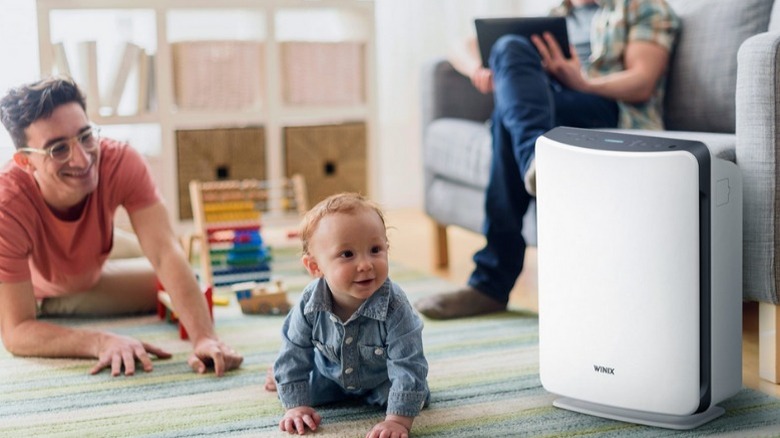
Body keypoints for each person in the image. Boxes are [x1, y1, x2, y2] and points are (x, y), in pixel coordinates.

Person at [415, 0, 680, 319]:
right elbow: (461, 44)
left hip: (609, 109)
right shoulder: (556, 17)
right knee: (509, 47)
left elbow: (642, 81)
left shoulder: (640, 7)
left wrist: (582, 82)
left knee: (507, 119)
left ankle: (490, 284)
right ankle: (536, 159)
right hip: (547, 111)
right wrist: (478, 69)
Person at [0, 76, 243, 377]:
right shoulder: (7, 203)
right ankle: (52, 304)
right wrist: (101, 341)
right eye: (58, 149)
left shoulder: (120, 160)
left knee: (182, 280)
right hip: (47, 286)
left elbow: (165, 252)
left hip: (99, 252)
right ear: (25, 162)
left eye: (85, 136)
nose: (82, 157)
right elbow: (16, 332)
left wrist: (205, 338)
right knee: (161, 287)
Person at [267, 193, 429, 437]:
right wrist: (296, 406)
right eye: (347, 254)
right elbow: (294, 349)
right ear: (315, 267)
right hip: (327, 377)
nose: (365, 264)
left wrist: (397, 421)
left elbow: (408, 364)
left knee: (413, 397)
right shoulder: (309, 303)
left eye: (375, 250)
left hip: (381, 380)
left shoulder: (395, 306)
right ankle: (280, 379)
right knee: (292, 384)